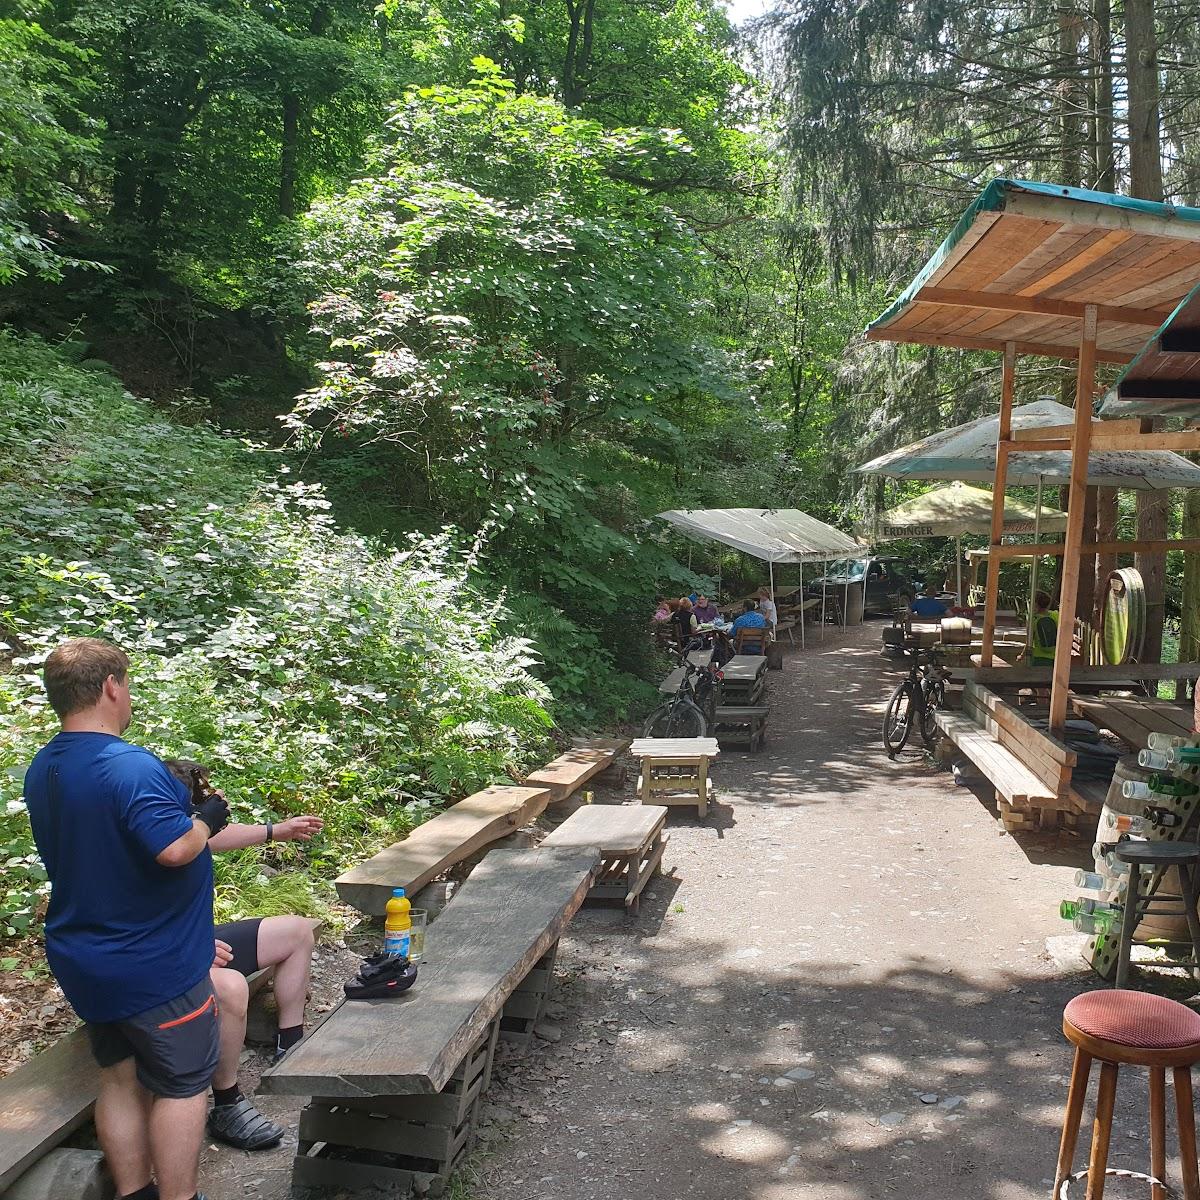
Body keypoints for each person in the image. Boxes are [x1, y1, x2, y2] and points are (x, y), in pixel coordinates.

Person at [24, 639, 227, 1200]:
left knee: (118, 1077)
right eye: (128, 684)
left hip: (85, 956)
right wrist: (207, 820)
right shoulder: (127, 764)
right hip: (152, 964)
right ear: (112, 686)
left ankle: (134, 1192)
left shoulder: (46, 766)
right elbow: (173, 849)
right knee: (184, 1085)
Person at [163, 759, 323, 1151]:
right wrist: (192, 946)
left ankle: (291, 1043)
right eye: (205, 796)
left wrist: (276, 831)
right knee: (232, 987)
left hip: (199, 941)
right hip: (168, 956)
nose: (215, 802)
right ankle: (228, 1102)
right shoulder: (152, 843)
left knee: (297, 931)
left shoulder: (189, 833)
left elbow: (215, 836)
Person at [1030, 590, 1059, 664]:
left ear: (1036, 604)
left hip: (1038, 657)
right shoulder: (1056, 615)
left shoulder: (1033, 619)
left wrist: (1022, 655)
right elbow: (1076, 624)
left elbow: (1029, 641)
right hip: (1055, 656)